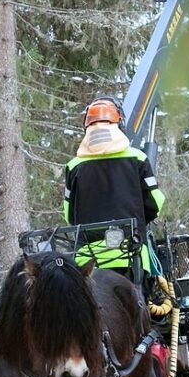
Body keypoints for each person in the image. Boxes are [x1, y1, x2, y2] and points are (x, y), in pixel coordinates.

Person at [62, 96, 165, 280]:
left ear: (87, 126)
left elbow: (69, 214)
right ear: (119, 123)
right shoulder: (138, 158)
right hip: (131, 256)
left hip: (88, 261)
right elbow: (155, 203)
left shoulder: (74, 166)